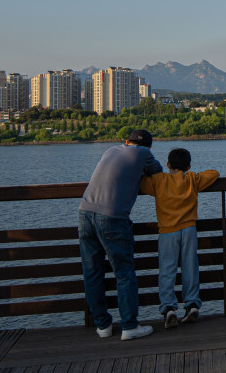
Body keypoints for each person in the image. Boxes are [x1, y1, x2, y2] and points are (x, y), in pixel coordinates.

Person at [78, 129, 162, 341]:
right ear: (149, 147)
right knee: (124, 272)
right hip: (113, 217)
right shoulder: (144, 153)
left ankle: (103, 326)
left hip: (85, 212)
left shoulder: (110, 150)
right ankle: (129, 326)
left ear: (126, 141)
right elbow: (158, 172)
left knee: (92, 272)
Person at [139, 147, 219, 328]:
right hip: (189, 229)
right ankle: (191, 304)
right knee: (190, 267)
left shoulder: (159, 180)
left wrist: (146, 171)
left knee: (167, 270)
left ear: (168, 164)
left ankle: (169, 308)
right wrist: (193, 173)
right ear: (189, 166)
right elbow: (214, 173)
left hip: (167, 231)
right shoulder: (192, 179)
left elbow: (142, 183)